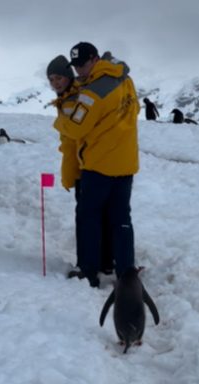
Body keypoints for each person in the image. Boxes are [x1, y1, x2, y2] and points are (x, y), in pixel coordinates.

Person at [53, 42, 140, 288]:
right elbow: (136, 109)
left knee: (89, 217)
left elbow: (74, 127)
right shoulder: (125, 78)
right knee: (121, 217)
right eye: (76, 66)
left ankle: (88, 271)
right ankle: (125, 270)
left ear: (95, 59)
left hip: (98, 166)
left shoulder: (92, 92)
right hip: (126, 162)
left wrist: (59, 122)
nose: (80, 70)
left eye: (83, 64)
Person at [47, 55, 114, 279]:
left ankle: (88, 266)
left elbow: (74, 137)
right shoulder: (70, 96)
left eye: (59, 78)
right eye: (51, 80)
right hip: (88, 164)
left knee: (87, 218)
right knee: (100, 215)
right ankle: (105, 262)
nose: (55, 83)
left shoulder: (73, 100)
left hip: (86, 165)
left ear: (69, 77)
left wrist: (72, 174)